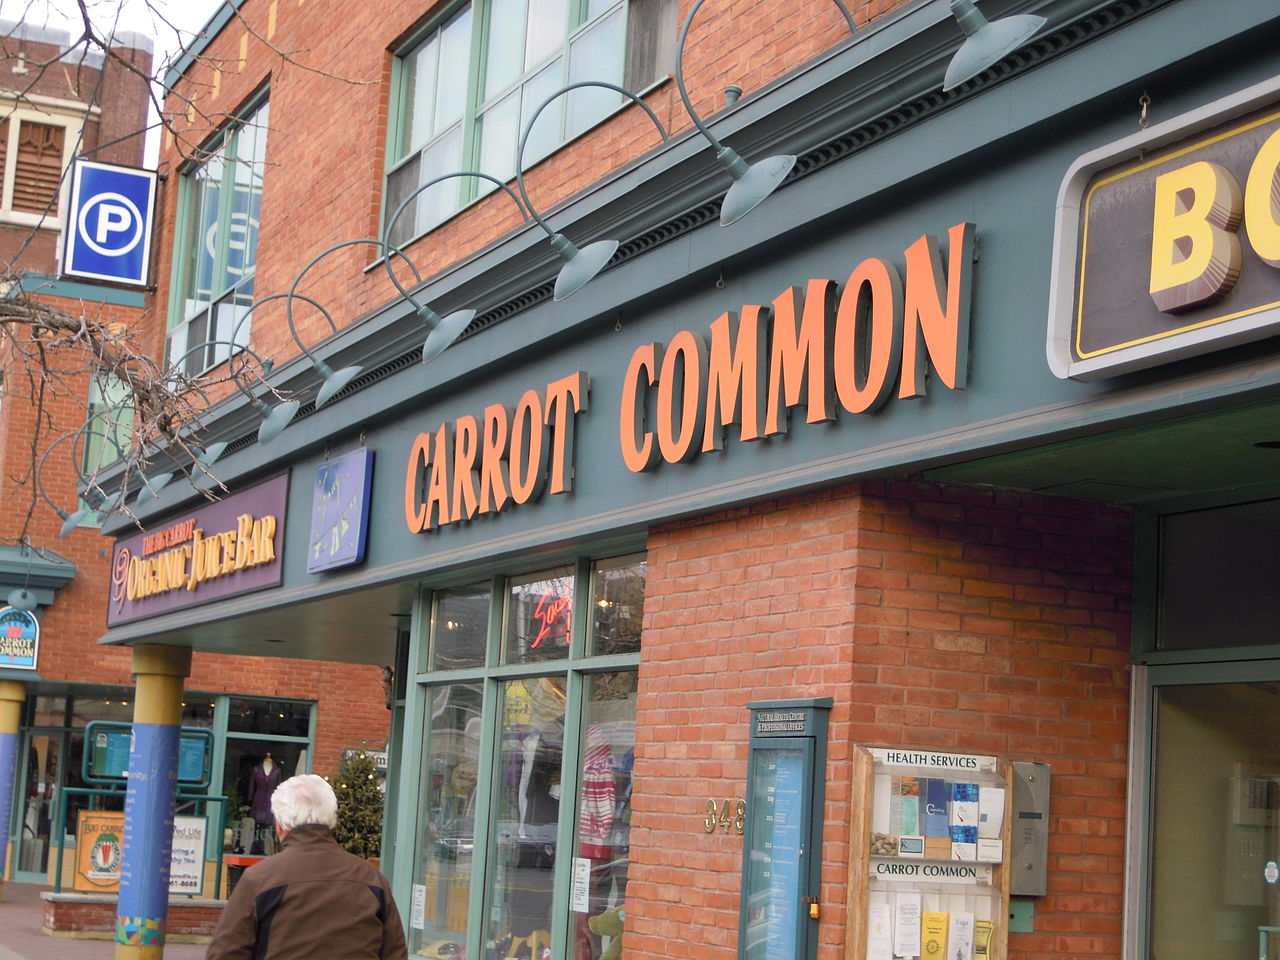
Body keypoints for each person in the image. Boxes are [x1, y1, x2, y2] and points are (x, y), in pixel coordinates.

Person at [206, 774, 408, 960]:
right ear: (331, 820)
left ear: (279, 825)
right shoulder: (371, 878)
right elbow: (395, 953)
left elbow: (225, 952)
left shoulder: (259, 878)